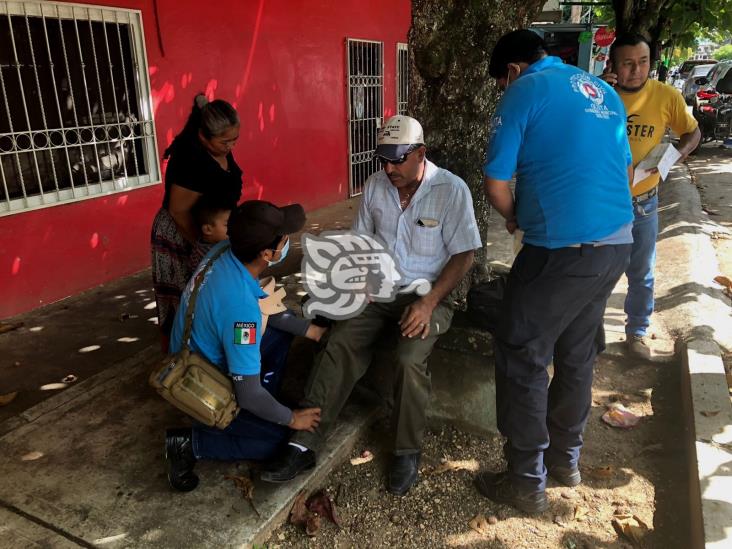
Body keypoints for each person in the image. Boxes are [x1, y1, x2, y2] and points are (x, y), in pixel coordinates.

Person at [261, 115, 482, 495]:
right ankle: (303, 444)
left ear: (420, 154)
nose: (388, 168)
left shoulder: (451, 190)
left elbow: (465, 256)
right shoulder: (376, 186)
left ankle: (406, 450)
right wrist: (358, 285)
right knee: (339, 342)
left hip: (429, 293)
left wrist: (429, 303)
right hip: (378, 290)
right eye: (383, 159)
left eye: (397, 160)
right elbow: (361, 243)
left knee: (409, 359)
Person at [476, 30, 634, 514]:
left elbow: (496, 180)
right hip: (615, 243)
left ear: (512, 71)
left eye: (503, 81)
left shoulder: (526, 88)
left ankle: (526, 481)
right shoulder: (601, 90)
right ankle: (565, 461)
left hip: (560, 251)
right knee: (576, 351)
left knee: (522, 352)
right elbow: (625, 170)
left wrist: (516, 216)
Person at [163, 200, 330, 492]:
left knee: (281, 333)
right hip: (201, 380)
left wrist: (312, 330)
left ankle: (264, 408)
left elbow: (266, 304)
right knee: (277, 441)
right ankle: (191, 443)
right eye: (284, 239)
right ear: (267, 253)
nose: (287, 242)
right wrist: (291, 418)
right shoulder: (242, 314)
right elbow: (248, 393)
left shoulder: (225, 250)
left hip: (192, 347)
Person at [600, 34, 701, 359]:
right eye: (627, 64)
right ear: (612, 65)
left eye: (643, 62)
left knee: (641, 272)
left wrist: (675, 156)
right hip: (599, 202)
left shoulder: (665, 96)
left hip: (643, 201)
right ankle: (589, 332)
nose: (636, 70)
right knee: (596, 271)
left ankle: (637, 333)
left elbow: (693, 131)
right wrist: (599, 90)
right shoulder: (597, 94)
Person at [151, 94, 243, 352]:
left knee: (208, 298)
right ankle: (178, 362)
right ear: (203, 136)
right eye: (225, 141)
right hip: (182, 233)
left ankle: (204, 354)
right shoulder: (190, 158)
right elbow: (179, 211)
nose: (231, 146)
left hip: (212, 230)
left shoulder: (219, 149)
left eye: (234, 139)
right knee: (184, 301)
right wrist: (205, 247)